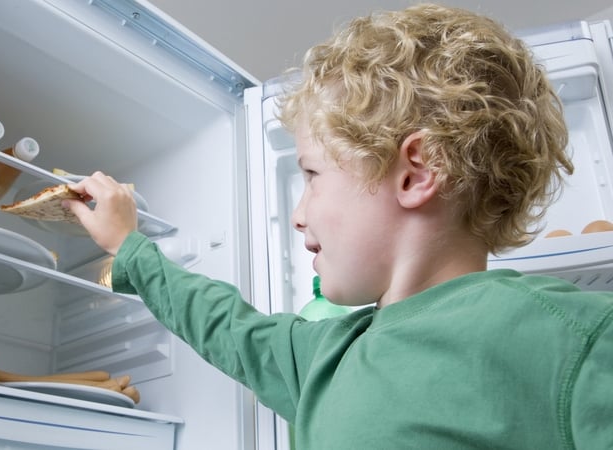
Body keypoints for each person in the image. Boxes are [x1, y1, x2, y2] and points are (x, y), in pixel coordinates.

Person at [62, 3, 613, 449]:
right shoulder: (325, 358)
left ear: (417, 174)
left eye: (313, 174)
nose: (299, 212)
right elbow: (224, 323)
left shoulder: (578, 338)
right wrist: (128, 245)